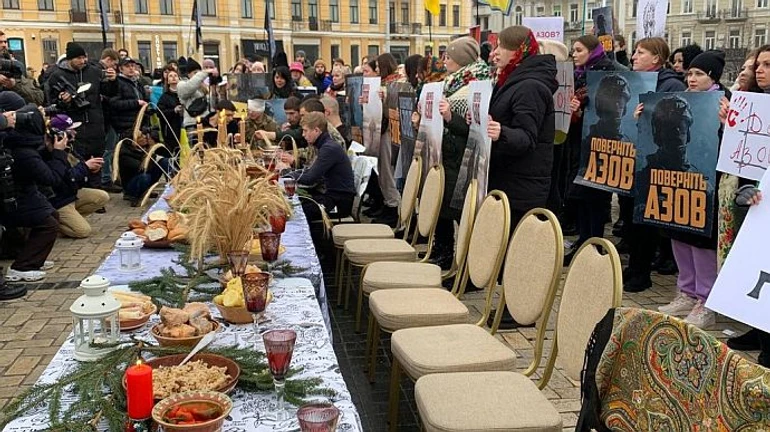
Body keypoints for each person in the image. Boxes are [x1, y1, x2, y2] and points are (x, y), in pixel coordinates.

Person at [620, 37, 686, 293]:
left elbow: (673, 123)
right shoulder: (637, 81)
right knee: (631, 216)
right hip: (634, 159)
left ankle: (641, 272)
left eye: (641, 52)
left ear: (656, 58)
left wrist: (647, 116)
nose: (634, 57)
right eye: (635, 52)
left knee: (646, 219)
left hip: (655, 162)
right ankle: (634, 266)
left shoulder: (670, 84)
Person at [722, 45, 769, 360]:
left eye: (768, 64)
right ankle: (760, 331)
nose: (760, 70)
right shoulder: (755, 101)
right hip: (756, 198)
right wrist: (729, 124)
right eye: (760, 64)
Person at [487, 25, 558, 229]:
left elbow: (527, 138)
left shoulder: (530, 86)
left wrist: (501, 132)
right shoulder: (512, 79)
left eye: (500, 47)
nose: (494, 53)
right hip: (509, 181)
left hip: (521, 188)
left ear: (517, 50)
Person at [432, 37, 490, 270]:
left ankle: (466, 261)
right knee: (441, 205)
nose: (445, 61)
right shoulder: (451, 82)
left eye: (449, 56)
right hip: (446, 154)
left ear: (461, 59)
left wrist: (448, 117)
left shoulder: (477, 84)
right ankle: (443, 250)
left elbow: (473, 127)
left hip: (464, 156)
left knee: (459, 210)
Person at [563, 35, 621, 262]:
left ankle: (594, 244)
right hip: (581, 142)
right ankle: (584, 239)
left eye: (578, 50)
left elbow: (608, 111)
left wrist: (583, 110)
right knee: (581, 196)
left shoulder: (606, 73)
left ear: (592, 51)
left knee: (594, 196)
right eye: (573, 51)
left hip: (600, 144)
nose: (574, 54)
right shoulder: (580, 74)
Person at [0, 92, 60, 283]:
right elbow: (51, 178)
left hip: (24, 193)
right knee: (48, 224)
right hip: (14, 197)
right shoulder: (21, 149)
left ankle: (31, 256)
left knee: (51, 215)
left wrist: (50, 150)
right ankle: (22, 267)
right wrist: (58, 154)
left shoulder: (22, 144)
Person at [44, 42, 117, 187]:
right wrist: (63, 100)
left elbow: (109, 92)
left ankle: (97, 193)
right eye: (79, 58)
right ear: (70, 59)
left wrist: (113, 81)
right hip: (74, 126)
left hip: (95, 124)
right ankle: (82, 192)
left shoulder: (93, 71)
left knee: (97, 159)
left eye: (85, 57)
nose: (83, 61)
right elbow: (50, 102)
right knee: (77, 161)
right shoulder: (57, 75)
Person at [43, 115, 109, 238]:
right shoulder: (50, 153)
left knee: (102, 196)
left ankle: (71, 219)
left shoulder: (69, 147)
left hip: (70, 194)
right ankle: (55, 223)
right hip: (59, 200)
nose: (74, 132)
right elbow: (64, 178)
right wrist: (85, 167)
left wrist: (91, 169)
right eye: (71, 130)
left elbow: (77, 172)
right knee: (83, 231)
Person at [287, 112, 356, 221]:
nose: (303, 135)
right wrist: (289, 175)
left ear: (316, 130)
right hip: (331, 196)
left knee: (296, 212)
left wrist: (288, 177)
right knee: (295, 205)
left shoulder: (329, 149)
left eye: (305, 131)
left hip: (339, 202)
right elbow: (309, 172)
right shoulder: (325, 145)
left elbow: (310, 178)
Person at [96, 48, 122, 193]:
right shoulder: (99, 72)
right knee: (108, 150)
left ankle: (109, 176)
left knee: (109, 149)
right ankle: (106, 178)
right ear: (109, 60)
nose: (114, 68)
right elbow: (105, 94)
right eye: (114, 64)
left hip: (107, 117)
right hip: (105, 117)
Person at [0, 30, 44, 106]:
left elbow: (38, 98)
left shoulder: (15, 67)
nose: (4, 45)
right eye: (0, 42)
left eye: (5, 42)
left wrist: (14, 85)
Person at [110, 57, 148, 139]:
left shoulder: (137, 83)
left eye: (132, 66)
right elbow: (115, 103)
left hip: (139, 124)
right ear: (120, 69)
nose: (131, 68)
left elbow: (144, 99)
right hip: (124, 126)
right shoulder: (117, 83)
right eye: (127, 66)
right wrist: (136, 103)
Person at [177, 57, 217, 133]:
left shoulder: (204, 86)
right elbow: (190, 86)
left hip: (206, 121)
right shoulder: (181, 85)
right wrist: (204, 73)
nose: (198, 75)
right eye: (195, 73)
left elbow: (213, 104)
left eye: (199, 72)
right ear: (188, 74)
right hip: (192, 123)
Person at [156, 67, 183, 153]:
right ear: (167, 81)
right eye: (170, 76)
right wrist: (173, 110)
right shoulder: (164, 97)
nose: (174, 77)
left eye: (176, 75)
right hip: (172, 131)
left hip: (184, 127)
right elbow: (159, 113)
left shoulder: (184, 94)